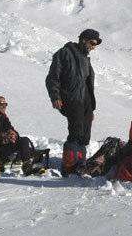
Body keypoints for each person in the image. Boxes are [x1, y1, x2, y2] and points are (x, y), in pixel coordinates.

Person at [45, 28, 101, 175]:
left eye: (95, 44)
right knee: (75, 133)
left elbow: (87, 84)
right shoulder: (64, 53)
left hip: (86, 103)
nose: (93, 47)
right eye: (92, 43)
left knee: (84, 137)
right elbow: (52, 78)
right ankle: (69, 167)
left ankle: (80, 165)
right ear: (83, 40)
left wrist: (91, 109)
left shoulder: (85, 59)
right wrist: (55, 96)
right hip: (72, 99)